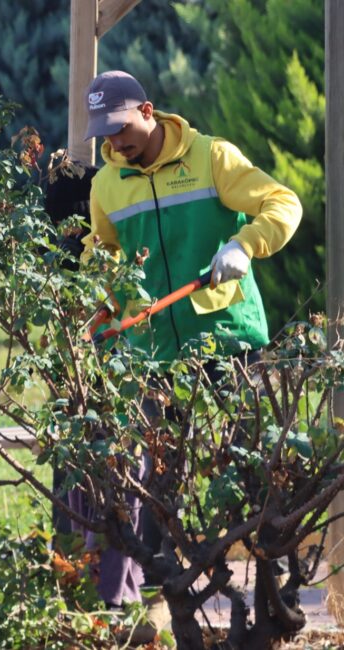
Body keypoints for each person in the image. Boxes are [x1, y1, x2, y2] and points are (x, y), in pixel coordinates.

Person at [72, 71, 302, 609]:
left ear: (148, 111)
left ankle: (278, 594)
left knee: (257, 467)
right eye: (104, 133)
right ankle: (159, 586)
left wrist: (245, 244)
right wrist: (98, 306)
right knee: (157, 477)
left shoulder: (211, 158)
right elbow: (104, 256)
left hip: (228, 339)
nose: (115, 142)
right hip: (152, 352)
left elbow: (282, 203)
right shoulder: (106, 184)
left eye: (122, 127)